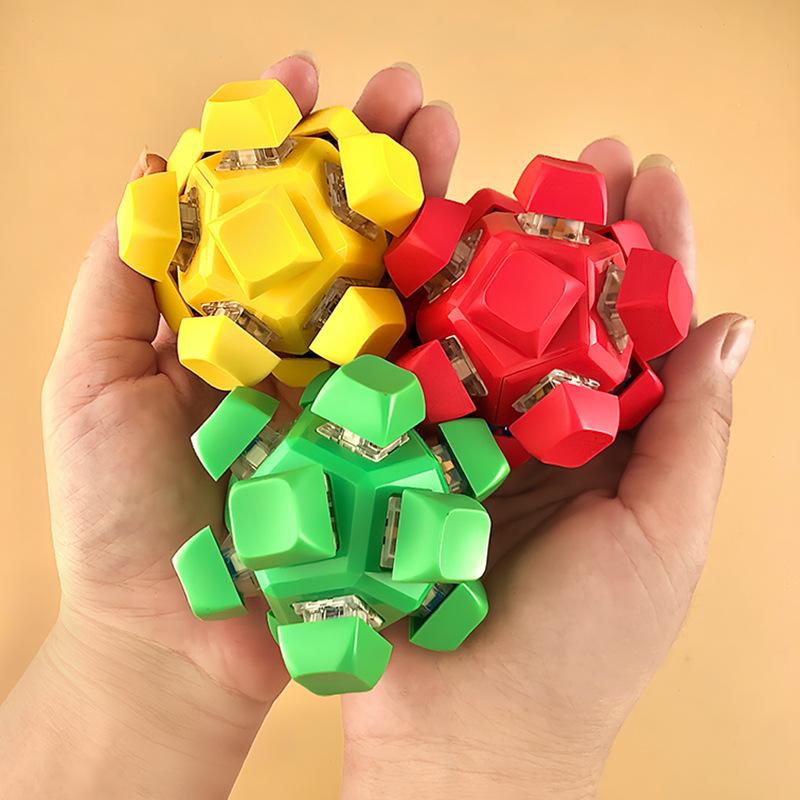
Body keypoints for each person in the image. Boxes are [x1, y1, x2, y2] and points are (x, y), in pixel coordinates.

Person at [0, 53, 752, 799]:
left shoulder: (366, 423)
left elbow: (322, 426)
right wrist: (130, 653)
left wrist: (131, 660)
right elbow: (332, 429)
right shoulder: (350, 433)